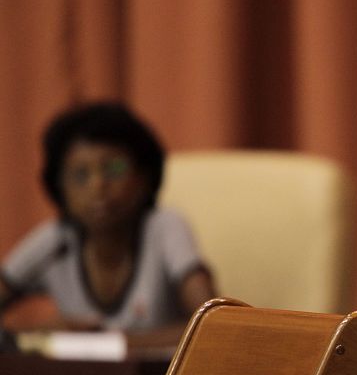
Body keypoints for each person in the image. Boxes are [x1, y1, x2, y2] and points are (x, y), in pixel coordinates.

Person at [0, 102, 215, 349]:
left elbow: (211, 324)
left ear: (143, 177)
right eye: (80, 175)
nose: (98, 186)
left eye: (114, 169)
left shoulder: (164, 227)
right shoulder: (54, 241)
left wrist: (115, 344)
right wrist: (41, 335)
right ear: (60, 188)